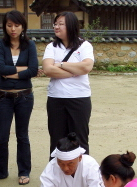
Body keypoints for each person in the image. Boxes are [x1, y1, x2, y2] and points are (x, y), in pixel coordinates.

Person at [0, 10, 39, 185]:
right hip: (3, 97)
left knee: (22, 135)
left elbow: (33, 70)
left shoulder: (30, 45)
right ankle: (1, 170)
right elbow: (0, 68)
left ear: (23, 26)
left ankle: (24, 171)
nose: (13, 29)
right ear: (5, 26)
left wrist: (9, 73)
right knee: (2, 136)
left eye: (17, 25)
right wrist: (22, 69)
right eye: (9, 25)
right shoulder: (0, 44)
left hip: (25, 97)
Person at [42, 11, 94, 156]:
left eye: (61, 24)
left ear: (71, 26)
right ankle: (56, 176)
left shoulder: (85, 46)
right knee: (56, 140)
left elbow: (86, 67)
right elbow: (48, 69)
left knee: (80, 140)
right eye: (55, 24)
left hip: (79, 98)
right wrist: (74, 70)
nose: (56, 27)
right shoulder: (51, 47)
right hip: (56, 99)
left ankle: (81, 176)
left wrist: (61, 64)